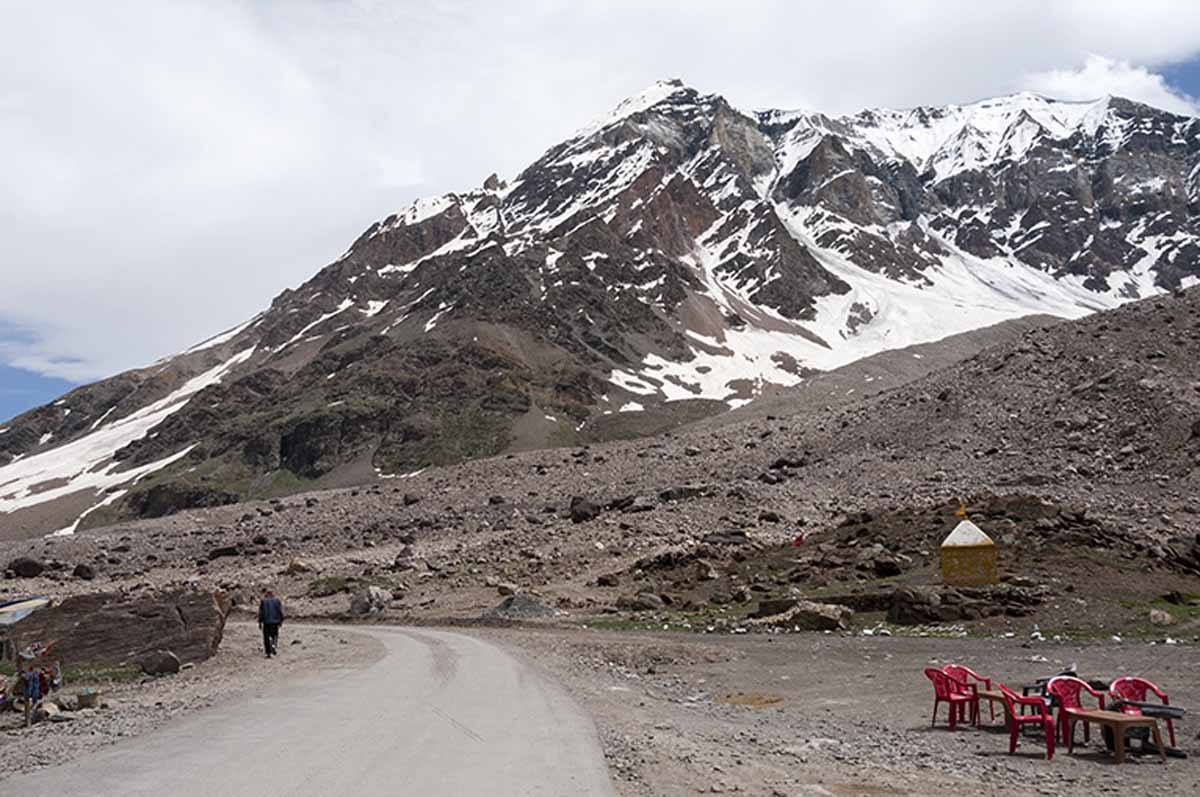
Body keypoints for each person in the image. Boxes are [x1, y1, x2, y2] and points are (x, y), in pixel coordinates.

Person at [257, 588, 285, 658]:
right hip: (275, 622)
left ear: (266, 594)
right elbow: (279, 611)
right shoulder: (277, 601)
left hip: (266, 622)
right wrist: (281, 620)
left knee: (266, 637)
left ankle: (268, 652)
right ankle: (273, 646)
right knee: (274, 635)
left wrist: (260, 622)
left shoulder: (263, 601)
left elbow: (261, 613)